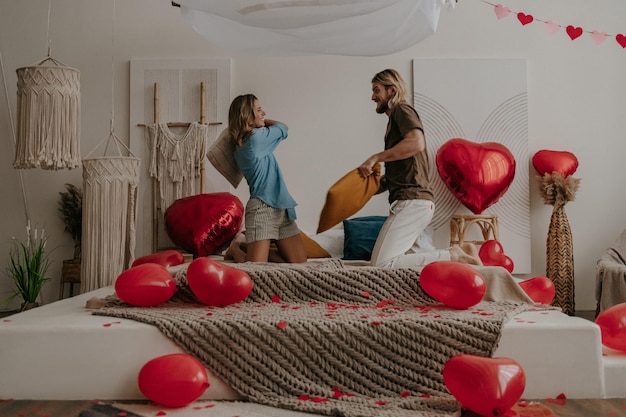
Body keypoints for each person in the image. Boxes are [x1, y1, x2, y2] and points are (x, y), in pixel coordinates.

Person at [358, 69, 481, 268]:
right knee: (410, 264)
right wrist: (362, 188)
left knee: (383, 263)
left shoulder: (401, 110)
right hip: (412, 200)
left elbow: (416, 142)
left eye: (376, 90)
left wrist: (376, 157)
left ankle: (454, 255)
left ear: (392, 90)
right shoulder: (393, 123)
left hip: (412, 202)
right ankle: (462, 253)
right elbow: (399, 174)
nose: (373, 97)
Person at [224, 94, 307, 263]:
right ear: (246, 115)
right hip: (262, 208)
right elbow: (283, 128)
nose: (264, 113)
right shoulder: (254, 140)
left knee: (298, 264)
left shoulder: (250, 140)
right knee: (257, 268)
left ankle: (245, 247)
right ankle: (235, 250)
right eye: (259, 110)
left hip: (281, 205)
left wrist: (258, 121)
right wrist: (261, 123)